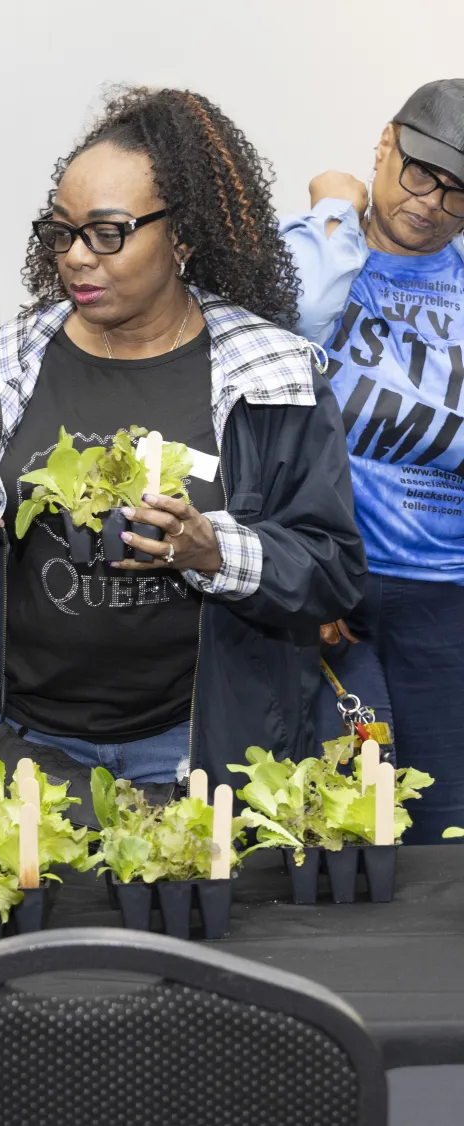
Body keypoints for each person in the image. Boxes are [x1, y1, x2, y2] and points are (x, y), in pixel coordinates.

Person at [0, 87, 365, 807]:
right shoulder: (9, 362)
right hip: (26, 743)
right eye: (62, 232)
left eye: (108, 232)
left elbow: (331, 570)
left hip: (199, 747)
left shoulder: (273, 376)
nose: (77, 258)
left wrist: (213, 550)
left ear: (182, 237)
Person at [280, 79, 464, 843]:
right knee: (334, 827)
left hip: (441, 595)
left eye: (458, 193)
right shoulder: (321, 251)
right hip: (325, 584)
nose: (431, 202)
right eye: (420, 171)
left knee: (443, 827)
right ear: (386, 143)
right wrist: (332, 205)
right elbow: (292, 313)